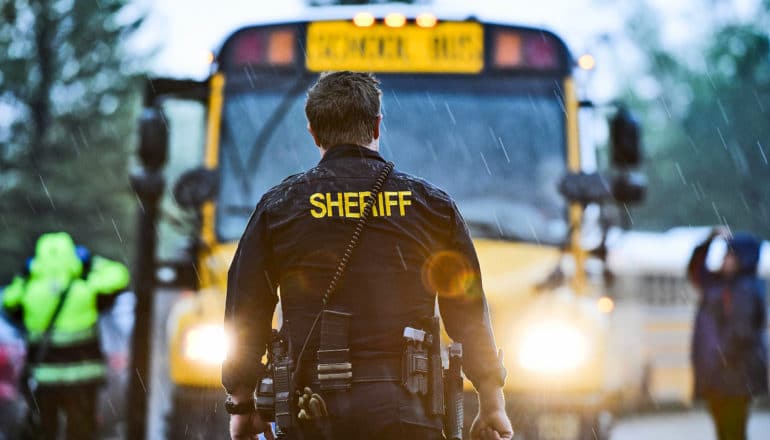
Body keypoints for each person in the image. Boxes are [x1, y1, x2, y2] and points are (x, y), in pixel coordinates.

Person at [223, 71, 513, 440]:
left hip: (310, 412)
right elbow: (467, 313)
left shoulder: (279, 207)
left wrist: (243, 402)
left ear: (312, 131)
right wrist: (492, 401)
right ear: (377, 126)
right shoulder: (432, 208)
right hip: (410, 413)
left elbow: (246, 309)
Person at [1, 232, 130, 440]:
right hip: (83, 380)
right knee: (81, 432)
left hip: (44, 380)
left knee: (43, 431)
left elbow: (9, 302)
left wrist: (26, 273)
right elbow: (119, 275)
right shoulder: (86, 289)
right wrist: (90, 262)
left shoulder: (30, 290)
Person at [688, 227, 768, 440]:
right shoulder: (720, 284)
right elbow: (696, 271)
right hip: (720, 377)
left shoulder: (745, 289)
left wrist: (718, 360)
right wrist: (708, 241)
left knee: (732, 431)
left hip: (733, 377)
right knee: (726, 431)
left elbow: (741, 333)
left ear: (743, 258)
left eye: (729, 255)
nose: (724, 260)